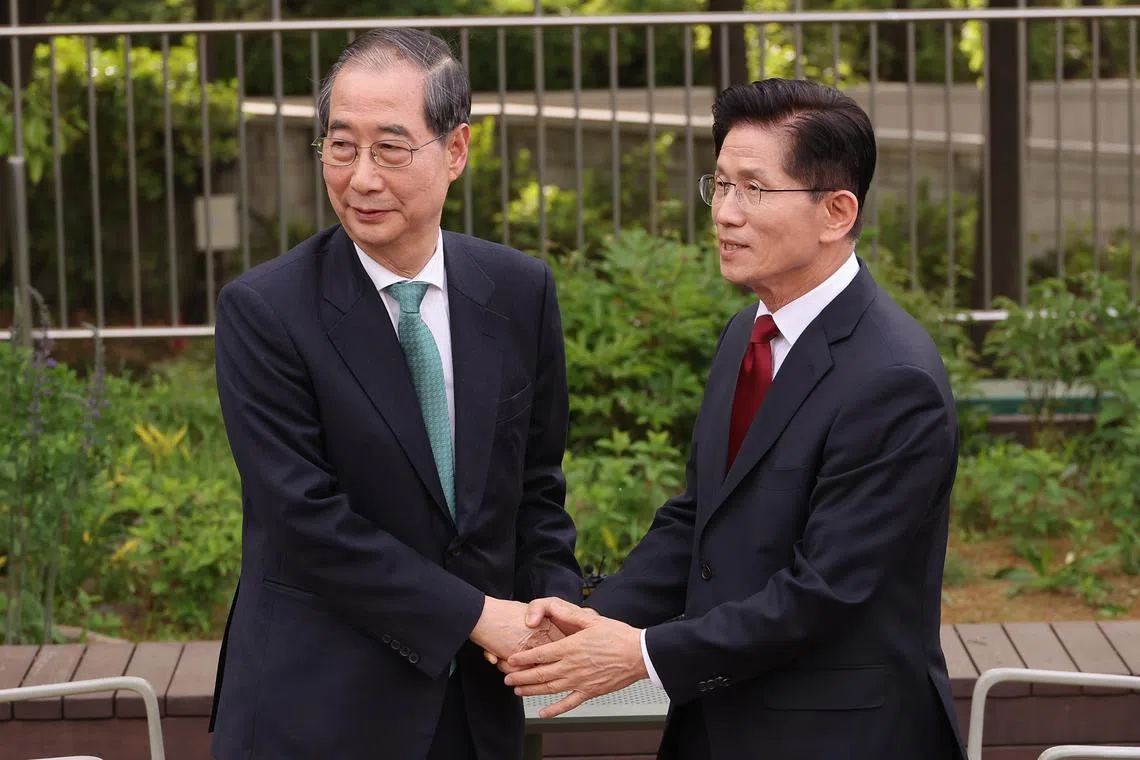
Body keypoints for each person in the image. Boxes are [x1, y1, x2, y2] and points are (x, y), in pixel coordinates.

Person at [500, 78, 966, 760]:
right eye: (718, 184)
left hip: (839, 737)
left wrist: (641, 653)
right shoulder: (746, 333)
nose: (724, 212)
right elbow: (699, 519)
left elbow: (823, 594)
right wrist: (594, 621)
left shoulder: (894, 381)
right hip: (716, 724)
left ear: (836, 211)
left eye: (753, 188)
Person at [209, 28, 582, 760]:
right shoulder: (266, 310)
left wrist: (553, 602)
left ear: (457, 151)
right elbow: (307, 521)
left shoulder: (518, 291)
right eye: (340, 146)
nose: (361, 178)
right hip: (316, 709)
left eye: (389, 147)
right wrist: (478, 615)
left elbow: (536, 486)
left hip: (473, 712)